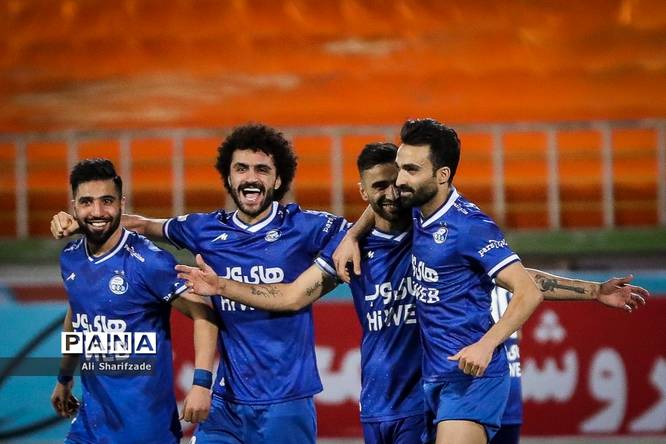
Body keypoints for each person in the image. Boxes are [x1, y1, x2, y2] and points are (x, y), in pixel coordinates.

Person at [174, 142, 649, 444]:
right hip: (377, 401)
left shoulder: (433, 236)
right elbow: (291, 297)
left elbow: (521, 278)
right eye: (379, 186)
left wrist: (593, 290)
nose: (392, 193)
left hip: (427, 398)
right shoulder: (350, 251)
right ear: (363, 191)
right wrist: (221, 286)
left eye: (398, 183)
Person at [51, 124, 347, 444]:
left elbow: (352, 237)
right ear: (228, 177)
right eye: (241, 169)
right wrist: (81, 222)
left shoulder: (305, 226)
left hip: (284, 401)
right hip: (224, 401)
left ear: (278, 179)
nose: (250, 178)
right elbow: (143, 224)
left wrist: (324, 275)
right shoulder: (203, 229)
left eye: (262, 169)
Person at [50, 158, 218, 443]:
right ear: (74, 207)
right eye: (87, 202)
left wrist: (202, 383)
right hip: (90, 425)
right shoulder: (71, 257)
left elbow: (205, 313)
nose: (98, 211)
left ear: (121, 204)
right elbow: (76, 316)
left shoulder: (149, 261)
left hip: (145, 429)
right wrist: (64, 378)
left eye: (107, 201)